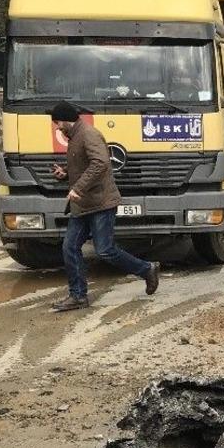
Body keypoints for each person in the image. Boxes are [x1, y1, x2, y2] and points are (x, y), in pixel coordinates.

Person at [49, 101, 160, 311]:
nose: (58, 127)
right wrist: (65, 174)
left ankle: (146, 269)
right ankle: (78, 296)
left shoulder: (88, 134)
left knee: (105, 250)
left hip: (100, 203)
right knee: (69, 247)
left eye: (58, 123)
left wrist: (78, 187)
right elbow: (85, 165)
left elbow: (100, 164)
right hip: (83, 205)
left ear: (65, 120)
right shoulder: (75, 136)